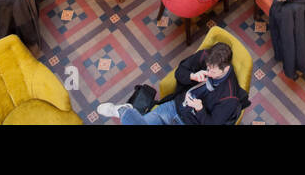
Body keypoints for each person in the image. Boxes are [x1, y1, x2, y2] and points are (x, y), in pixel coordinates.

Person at [98, 42, 245, 125]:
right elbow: (179, 72)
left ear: (225, 68)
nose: (208, 71)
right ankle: (125, 112)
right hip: (173, 107)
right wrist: (192, 76)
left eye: (212, 71)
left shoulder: (229, 97)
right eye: (207, 67)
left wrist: (200, 109)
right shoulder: (205, 56)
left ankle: (124, 111)